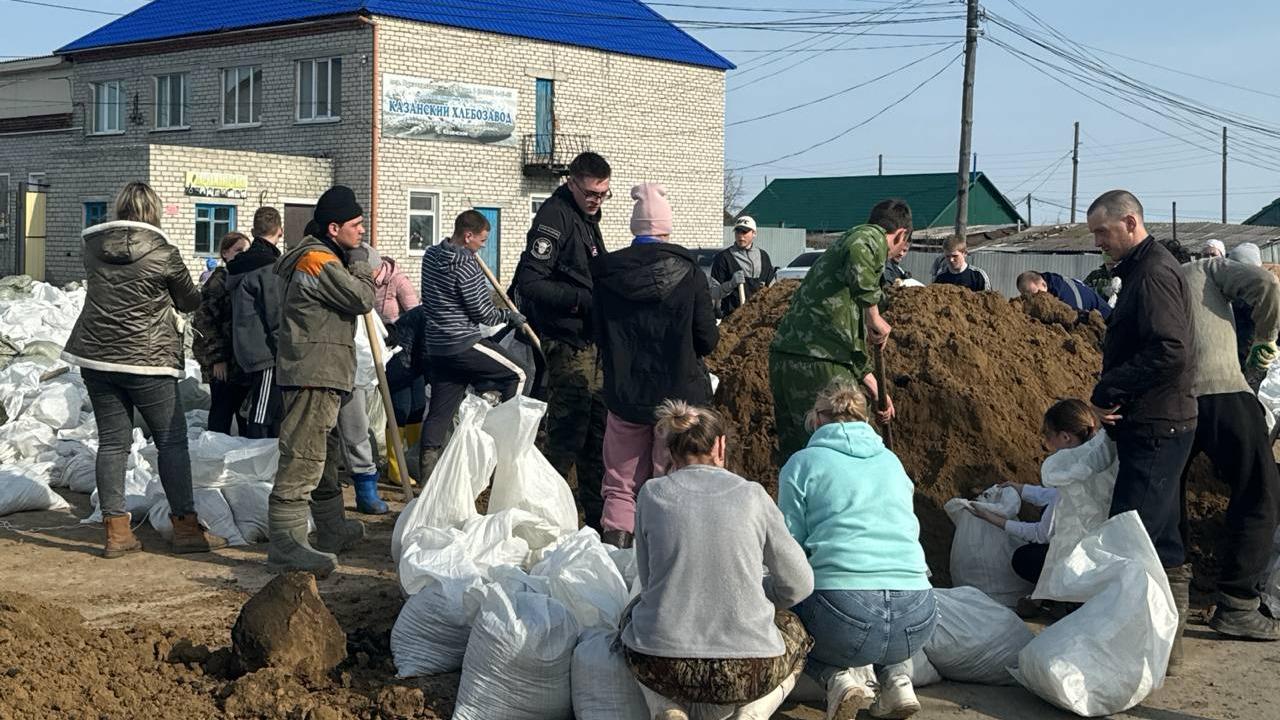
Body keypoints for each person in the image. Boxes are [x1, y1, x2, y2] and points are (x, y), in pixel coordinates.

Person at [61, 181, 228, 558]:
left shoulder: (94, 248)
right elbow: (189, 300)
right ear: (153, 212)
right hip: (147, 360)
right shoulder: (162, 252)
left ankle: (117, 533)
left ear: (119, 209)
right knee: (170, 440)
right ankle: (186, 529)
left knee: (113, 443)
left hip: (97, 356)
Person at [621, 401, 815, 720]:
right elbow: (800, 584)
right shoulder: (753, 495)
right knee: (795, 630)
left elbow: (650, 580)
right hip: (748, 671)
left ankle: (666, 708)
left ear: (669, 448)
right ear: (720, 445)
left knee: (632, 616)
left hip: (665, 667)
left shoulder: (651, 495)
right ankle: (752, 714)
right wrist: (760, 597)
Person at [778, 380, 935, 720]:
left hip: (844, 619)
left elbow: (790, 548)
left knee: (786, 608)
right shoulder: (892, 462)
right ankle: (897, 680)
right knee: (885, 602)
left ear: (818, 419)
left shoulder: (802, 463)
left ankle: (837, 681)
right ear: (864, 419)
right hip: (919, 617)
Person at [1086, 189, 1197, 670]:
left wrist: (1110, 388)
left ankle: (1134, 648)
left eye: (1103, 233)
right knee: (1163, 537)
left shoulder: (1151, 274)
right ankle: (1165, 645)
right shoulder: (1144, 270)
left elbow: (1170, 349)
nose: (1098, 243)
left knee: (1131, 538)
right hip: (1161, 421)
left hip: (1157, 424)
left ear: (1130, 223)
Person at [591, 183, 719, 549]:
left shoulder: (606, 274)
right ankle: (671, 550)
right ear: (666, 228)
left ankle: (617, 550)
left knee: (620, 481)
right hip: (679, 398)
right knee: (673, 475)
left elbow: (596, 332)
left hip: (625, 393)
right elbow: (707, 338)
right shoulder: (689, 272)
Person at [267, 186, 375, 577]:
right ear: (334, 227)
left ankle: (330, 529)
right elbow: (361, 298)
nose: (362, 232)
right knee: (303, 456)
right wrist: (361, 264)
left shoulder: (321, 255)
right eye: (356, 225)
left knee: (323, 456)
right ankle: (287, 543)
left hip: (323, 369)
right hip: (313, 371)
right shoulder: (316, 261)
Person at [1177, 254, 1280, 641]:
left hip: (1166, 402)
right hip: (1222, 391)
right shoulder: (1203, 269)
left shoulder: (1141, 284)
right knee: (1260, 491)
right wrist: (1265, 339)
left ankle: (1172, 592)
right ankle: (1237, 603)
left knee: (1167, 494)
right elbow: (1267, 286)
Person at [511, 151, 611, 530]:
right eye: (590, 193)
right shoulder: (555, 216)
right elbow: (531, 282)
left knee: (596, 434)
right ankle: (545, 517)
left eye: (603, 194)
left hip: (591, 341)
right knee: (567, 434)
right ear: (572, 183)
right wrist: (583, 300)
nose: (596, 201)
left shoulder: (586, 219)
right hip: (566, 342)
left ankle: (596, 520)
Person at [769, 199, 909, 465]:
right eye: (898, 249)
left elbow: (845, 342)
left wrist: (877, 389)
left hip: (788, 359)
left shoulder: (840, 269)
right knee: (844, 448)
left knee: (800, 454)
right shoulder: (868, 236)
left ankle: (798, 505)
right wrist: (874, 316)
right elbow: (862, 248)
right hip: (818, 363)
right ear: (900, 234)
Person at [419, 210, 528, 481]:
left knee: (440, 411)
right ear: (468, 236)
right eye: (482, 239)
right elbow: (483, 313)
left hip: (437, 347)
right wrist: (510, 317)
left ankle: (428, 475)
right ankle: (510, 446)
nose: (483, 245)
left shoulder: (431, 256)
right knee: (519, 373)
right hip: (462, 342)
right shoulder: (466, 265)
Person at [968, 399, 1096, 588]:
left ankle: (1069, 595)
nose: (1047, 442)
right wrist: (1021, 489)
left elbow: (1041, 534)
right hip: (1096, 547)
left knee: (1025, 559)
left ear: (1065, 437)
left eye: (1049, 435)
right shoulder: (1093, 459)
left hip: (1083, 559)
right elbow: (1057, 497)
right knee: (1046, 512)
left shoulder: (1073, 477)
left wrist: (993, 519)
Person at [227, 207, 286, 439]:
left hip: (244, 345)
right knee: (262, 412)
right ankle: (256, 457)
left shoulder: (239, 266)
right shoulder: (268, 267)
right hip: (265, 351)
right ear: (280, 231)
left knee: (258, 406)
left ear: (253, 231)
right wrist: (285, 349)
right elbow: (275, 313)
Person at [192, 231, 252, 436]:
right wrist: (218, 358)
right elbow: (204, 321)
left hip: (243, 363)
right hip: (223, 364)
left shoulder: (246, 279)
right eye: (238, 250)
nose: (243, 255)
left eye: (247, 250)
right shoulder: (218, 281)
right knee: (221, 415)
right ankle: (216, 460)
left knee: (245, 417)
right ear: (225, 253)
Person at [711, 215, 777, 317]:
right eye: (738, 232)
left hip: (758, 320)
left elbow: (774, 290)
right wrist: (731, 284)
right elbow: (713, 293)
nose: (741, 236)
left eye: (745, 232)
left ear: (754, 233)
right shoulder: (723, 258)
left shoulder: (763, 257)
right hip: (732, 319)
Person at [1015, 270, 1112, 320]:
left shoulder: (1065, 296)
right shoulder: (1050, 283)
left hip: (1108, 321)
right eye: (1028, 297)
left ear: (1043, 284)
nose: (1034, 299)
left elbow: (1075, 321)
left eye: (1036, 294)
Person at [373, 252, 419, 323]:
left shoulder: (400, 280)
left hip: (397, 330)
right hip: (375, 331)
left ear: (376, 268)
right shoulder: (366, 282)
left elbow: (414, 314)